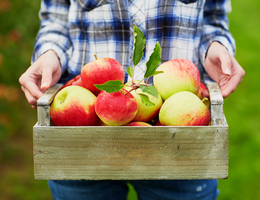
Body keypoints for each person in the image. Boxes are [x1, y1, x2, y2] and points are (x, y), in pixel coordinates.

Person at [19, 0, 245, 199]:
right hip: (82, 138)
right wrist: (51, 52)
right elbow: (56, 20)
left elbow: (213, 17)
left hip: (181, 144)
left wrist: (214, 45)